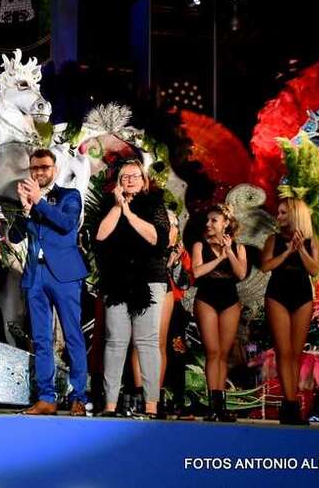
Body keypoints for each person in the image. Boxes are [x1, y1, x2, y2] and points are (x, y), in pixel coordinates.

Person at [11, 148, 89, 416]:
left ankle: (78, 396)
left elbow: (67, 224)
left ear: (54, 169)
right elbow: (14, 236)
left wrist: (39, 202)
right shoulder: (27, 200)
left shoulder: (69, 196)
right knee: (42, 339)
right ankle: (47, 398)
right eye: (35, 168)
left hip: (65, 275)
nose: (40, 172)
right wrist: (24, 209)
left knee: (72, 336)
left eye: (44, 167)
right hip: (36, 275)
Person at [96, 159, 169, 418]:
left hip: (148, 280)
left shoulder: (154, 205)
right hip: (117, 281)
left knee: (147, 341)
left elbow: (156, 240)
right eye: (124, 176)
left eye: (134, 176)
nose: (129, 180)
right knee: (115, 341)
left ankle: (151, 405)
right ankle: (110, 405)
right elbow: (100, 237)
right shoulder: (108, 204)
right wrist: (118, 208)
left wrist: (130, 214)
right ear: (118, 182)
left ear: (144, 180)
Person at [261, 198, 319, 425]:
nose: (279, 216)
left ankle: (291, 405)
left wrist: (300, 249)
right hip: (278, 295)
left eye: (283, 212)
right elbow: (266, 266)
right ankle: (291, 404)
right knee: (284, 352)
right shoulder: (272, 240)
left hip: (302, 297)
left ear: (296, 214)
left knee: (295, 354)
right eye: (279, 212)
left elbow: (314, 270)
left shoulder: (313, 240)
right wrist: (287, 252)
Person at [131, 209, 192, 416]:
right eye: (166, 222)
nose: (170, 226)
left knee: (159, 344)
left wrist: (174, 259)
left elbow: (185, 281)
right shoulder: (144, 238)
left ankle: (154, 397)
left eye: (173, 223)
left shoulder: (180, 251)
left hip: (168, 296)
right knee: (140, 342)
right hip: (141, 285)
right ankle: (139, 396)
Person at [191, 203, 247, 422]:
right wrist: (219, 258)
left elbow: (241, 273)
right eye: (208, 220)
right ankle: (212, 404)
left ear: (226, 223)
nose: (209, 224)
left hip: (230, 300)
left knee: (224, 353)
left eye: (214, 220)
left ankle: (220, 405)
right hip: (207, 298)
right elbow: (197, 271)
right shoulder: (199, 245)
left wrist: (229, 252)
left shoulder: (239, 247)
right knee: (213, 351)